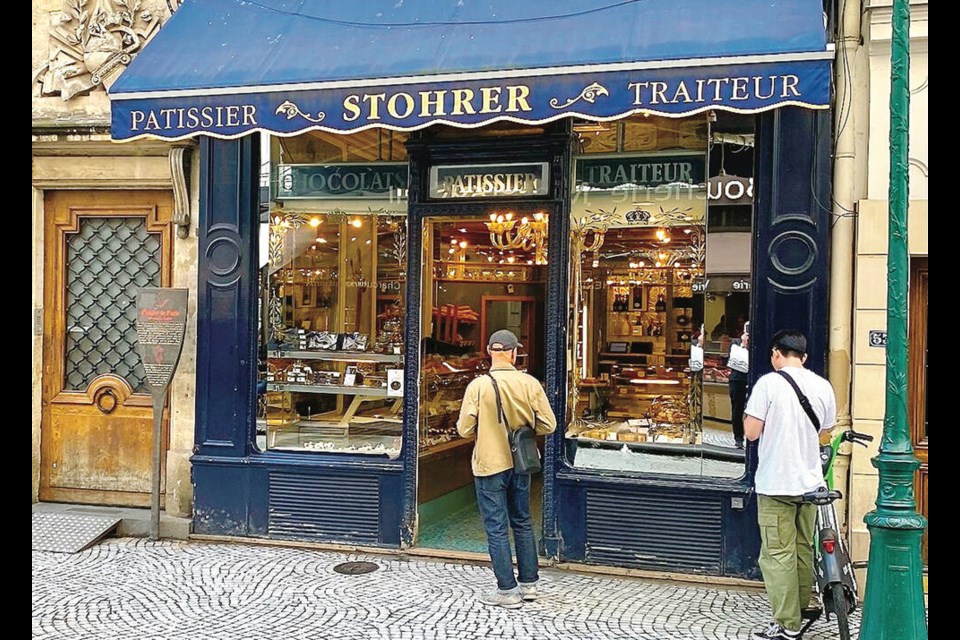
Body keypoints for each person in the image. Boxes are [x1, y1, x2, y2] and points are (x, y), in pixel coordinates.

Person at [743, 330, 837, 640]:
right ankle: (801, 607)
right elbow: (825, 432)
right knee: (801, 548)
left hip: (775, 482)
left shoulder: (768, 384)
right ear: (805, 357)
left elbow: (751, 432)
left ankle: (787, 625)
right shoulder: (823, 386)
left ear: (776, 354)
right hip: (810, 483)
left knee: (776, 554)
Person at [456, 329, 557, 609]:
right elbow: (549, 425)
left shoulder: (478, 386)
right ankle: (530, 585)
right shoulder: (530, 383)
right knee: (522, 522)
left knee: (497, 528)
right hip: (521, 463)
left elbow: (464, 430)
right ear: (514, 353)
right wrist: (525, 428)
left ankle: (506, 592)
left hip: (489, 464)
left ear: (489, 351)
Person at [727, 320, 750, 449]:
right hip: (737, 380)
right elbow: (733, 359)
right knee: (737, 410)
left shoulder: (757, 344)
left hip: (752, 380)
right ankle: (738, 438)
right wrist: (743, 344)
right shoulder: (735, 342)